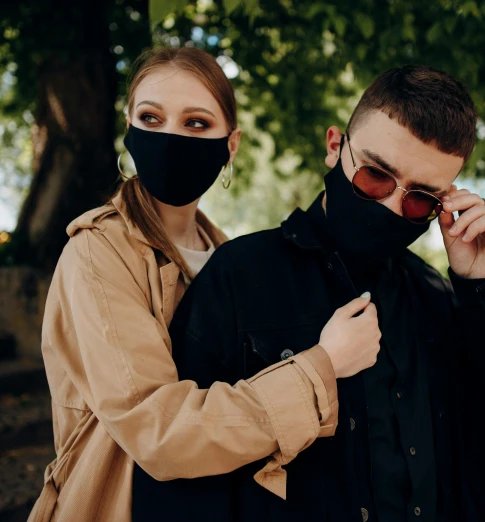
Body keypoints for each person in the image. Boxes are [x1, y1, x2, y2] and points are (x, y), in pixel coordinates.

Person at [133, 65, 485, 522]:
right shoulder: (240, 275)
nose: (390, 206)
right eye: (376, 176)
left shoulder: (438, 295)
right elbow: (179, 475)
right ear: (335, 148)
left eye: (419, 200)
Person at [28, 47, 382, 522]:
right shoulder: (96, 254)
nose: (171, 137)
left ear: (229, 145)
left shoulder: (227, 257)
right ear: (129, 128)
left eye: (196, 123)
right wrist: (321, 367)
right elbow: (159, 432)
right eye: (151, 118)